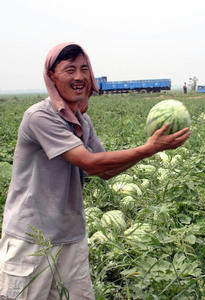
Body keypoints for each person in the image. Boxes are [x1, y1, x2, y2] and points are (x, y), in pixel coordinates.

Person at [0, 42, 191, 299]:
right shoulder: (40, 117)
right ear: (52, 77)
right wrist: (147, 149)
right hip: (32, 240)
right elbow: (89, 162)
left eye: (84, 69)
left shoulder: (81, 120)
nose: (79, 77)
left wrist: (153, 149)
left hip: (71, 236)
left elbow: (105, 171)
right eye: (70, 70)